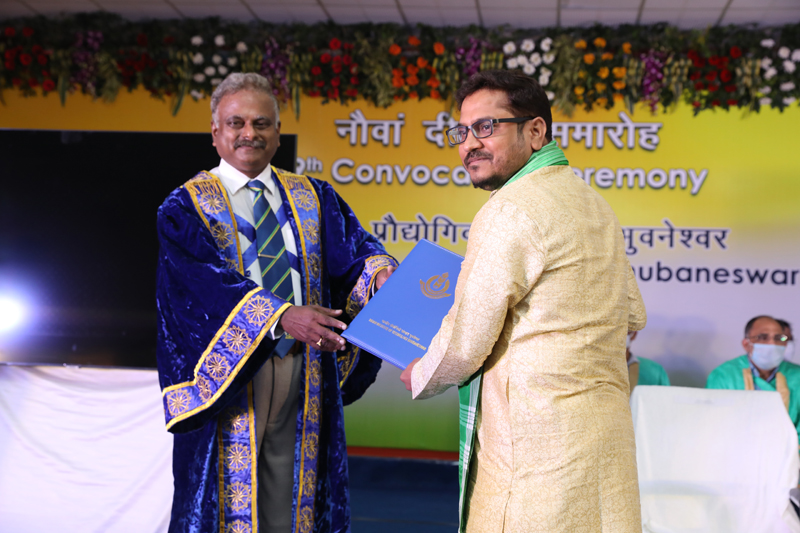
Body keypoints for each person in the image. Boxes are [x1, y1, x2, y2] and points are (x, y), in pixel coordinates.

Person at [399, 70, 647, 533]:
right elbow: (633, 312)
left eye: (486, 126)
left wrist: (423, 372)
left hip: (537, 444)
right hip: (605, 437)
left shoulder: (509, 209)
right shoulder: (595, 203)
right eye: (461, 131)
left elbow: (466, 340)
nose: (470, 144)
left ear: (535, 131)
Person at [155, 73, 396, 533]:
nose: (250, 133)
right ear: (215, 133)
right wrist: (281, 316)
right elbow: (202, 286)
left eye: (261, 123)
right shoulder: (185, 208)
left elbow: (355, 252)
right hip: (228, 377)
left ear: (278, 133)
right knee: (224, 508)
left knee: (291, 504)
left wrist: (378, 274)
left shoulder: (314, 196)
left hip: (304, 370)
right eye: (236, 123)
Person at [707, 315, 800, 443]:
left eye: (779, 338)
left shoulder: (797, 375)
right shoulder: (724, 376)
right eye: (763, 337)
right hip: (736, 450)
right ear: (746, 344)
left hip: (789, 451)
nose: (772, 344)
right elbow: (714, 425)